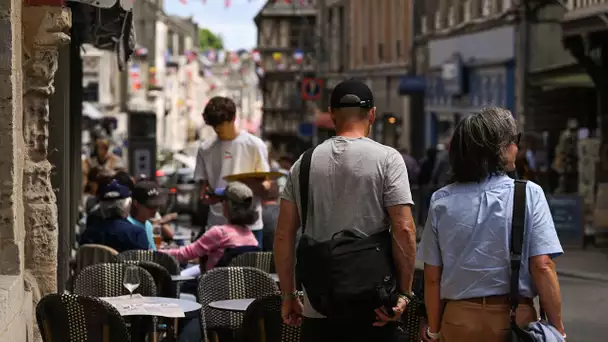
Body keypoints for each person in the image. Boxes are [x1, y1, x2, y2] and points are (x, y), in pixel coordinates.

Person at [274, 79, 417, 342]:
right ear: (372, 114)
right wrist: (405, 294)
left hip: (320, 305)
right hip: (375, 307)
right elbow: (404, 229)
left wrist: (289, 295)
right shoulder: (388, 159)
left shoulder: (303, 164)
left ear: (331, 114)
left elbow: (284, 235)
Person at [417, 107, 566, 342]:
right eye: (515, 140)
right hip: (514, 322)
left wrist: (434, 330)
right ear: (499, 148)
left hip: (458, 320)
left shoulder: (441, 201)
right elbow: (543, 266)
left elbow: (433, 276)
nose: (517, 147)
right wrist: (558, 330)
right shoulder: (529, 194)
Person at [194, 96, 277, 249]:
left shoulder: (254, 145)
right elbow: (202, 192)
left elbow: (266, 187)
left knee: (250, 271)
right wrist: (209, 197)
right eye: (214, 126)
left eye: (221, 125)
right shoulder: (205, 148)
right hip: (217, 225)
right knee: (216, 273)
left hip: (249, 225)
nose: (218, 130)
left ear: (233, 118)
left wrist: (251, 186)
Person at [161, 181, 259, 270]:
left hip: (212, 286)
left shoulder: (219, 233)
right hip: (238, 287)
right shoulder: (251, 237)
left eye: (222, 200)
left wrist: (157, 253)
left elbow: (185, 254)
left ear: (226, 205)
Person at [79, 180, 149, 252]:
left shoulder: (88, 234)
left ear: (101, 207)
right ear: (127, 205)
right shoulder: (136, 234)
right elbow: (143, 262)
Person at [128, 181, 167, 250]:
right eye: (151, 206)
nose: (155, 209)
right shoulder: (129, 226)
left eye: (157, 205)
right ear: (136, 203)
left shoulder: (148, 224)